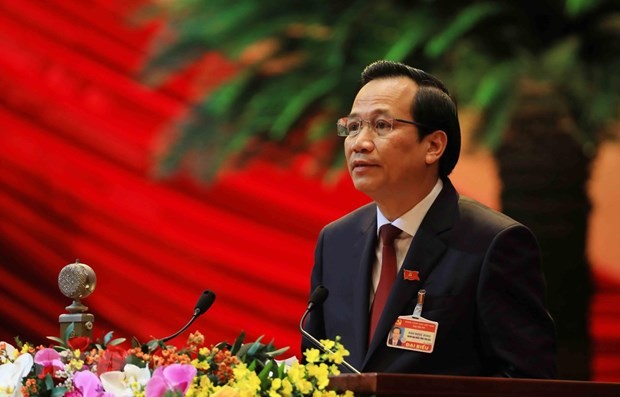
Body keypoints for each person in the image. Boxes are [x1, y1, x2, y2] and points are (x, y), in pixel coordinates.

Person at [302, 60, 556, 378]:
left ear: (433, 145)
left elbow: (526, 378)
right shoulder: (336, 240)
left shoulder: (492, 242)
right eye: (352, 127)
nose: (360, 143)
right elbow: (317, 363)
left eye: (382, 126)